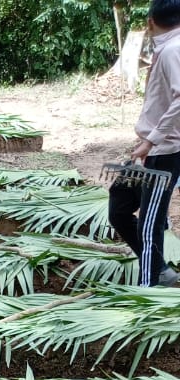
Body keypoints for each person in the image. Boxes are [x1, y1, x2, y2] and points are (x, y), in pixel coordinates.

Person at [109, 0, 180, 286]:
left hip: (163, 151)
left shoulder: (173, 50)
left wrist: (150, 141)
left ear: (150, 21)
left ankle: (148, 288)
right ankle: (159, 269)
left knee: (150, 223)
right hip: (152, 147)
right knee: (120, 207)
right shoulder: (168, 47)